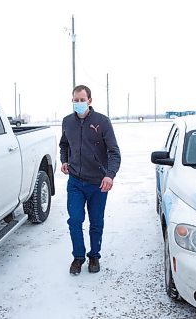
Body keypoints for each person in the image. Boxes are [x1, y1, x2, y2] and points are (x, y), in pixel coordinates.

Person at [59, 84, 121, 275]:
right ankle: (78, 257)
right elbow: (64, 144)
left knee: (96, 221)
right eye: (76, 100)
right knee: (75, 220)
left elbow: (114, 153)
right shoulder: (67, 122)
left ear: (90, 101)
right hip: (75, 182)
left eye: (82, 100)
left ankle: (94, 255)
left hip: (98, 183)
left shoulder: (102, 121)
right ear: (72, 101)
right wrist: (65, 161)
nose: (79, 103)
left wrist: (109, 175)